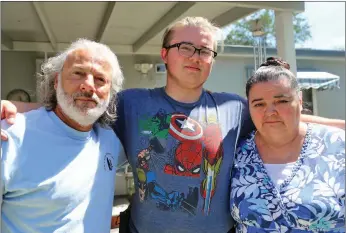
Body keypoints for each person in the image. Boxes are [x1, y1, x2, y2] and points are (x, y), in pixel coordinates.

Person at [1, 17, 345, 233]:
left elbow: (278, 113)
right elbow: (75, 104)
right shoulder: (133, 103)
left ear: (212, 60)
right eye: (185, 47)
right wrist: (9, 107)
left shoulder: (233, 107)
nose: (195, 56)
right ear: (164, 55)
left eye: (205, 50)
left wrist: (338, 124)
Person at [0, 39, 125, 233]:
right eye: (78, 73)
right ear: (56, 81)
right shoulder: (10, 136)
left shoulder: (111, 141)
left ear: (111, 93)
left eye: (100, 79)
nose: (88, 86)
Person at [230, 59, 345, 232]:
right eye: (259, 104)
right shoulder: (235, 151)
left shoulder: (337, 145)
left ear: (299, 100)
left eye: (281, 101)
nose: (270, 112)